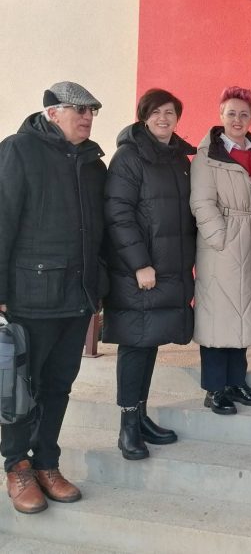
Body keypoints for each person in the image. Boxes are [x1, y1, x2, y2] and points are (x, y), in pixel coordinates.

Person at [0, 82, 107, 514]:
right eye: (78, 110)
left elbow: (100, 234)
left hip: (77, 296)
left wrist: (99, 285)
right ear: (51, 113)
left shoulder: (93, 163)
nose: (87, 117)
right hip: (31, 294)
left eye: (92, 111)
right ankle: (17, 467)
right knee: (22, 387)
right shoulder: (19, 150)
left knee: (59, 385)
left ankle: (47, 462)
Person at [103, 89, 196, 461]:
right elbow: (118, 213)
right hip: (140, 271)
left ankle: (140, 417)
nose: (163, 118)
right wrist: (139, 263)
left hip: (169, 270)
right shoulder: (128, 157)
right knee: (135, 344)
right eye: (156, 112)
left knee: (150, 341)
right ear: (143, 116)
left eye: (170, 112)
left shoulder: (178, 158)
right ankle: (127, 425)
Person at [190, 86, 251, 416]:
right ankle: (214, 388)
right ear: (221, 115)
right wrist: (220, 239)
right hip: (222, 244)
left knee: (243, 313)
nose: (238, 119)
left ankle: (236, 381)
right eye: (231, 113)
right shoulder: (208, 155)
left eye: (244, 114)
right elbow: (201, 202)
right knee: (217, 316)